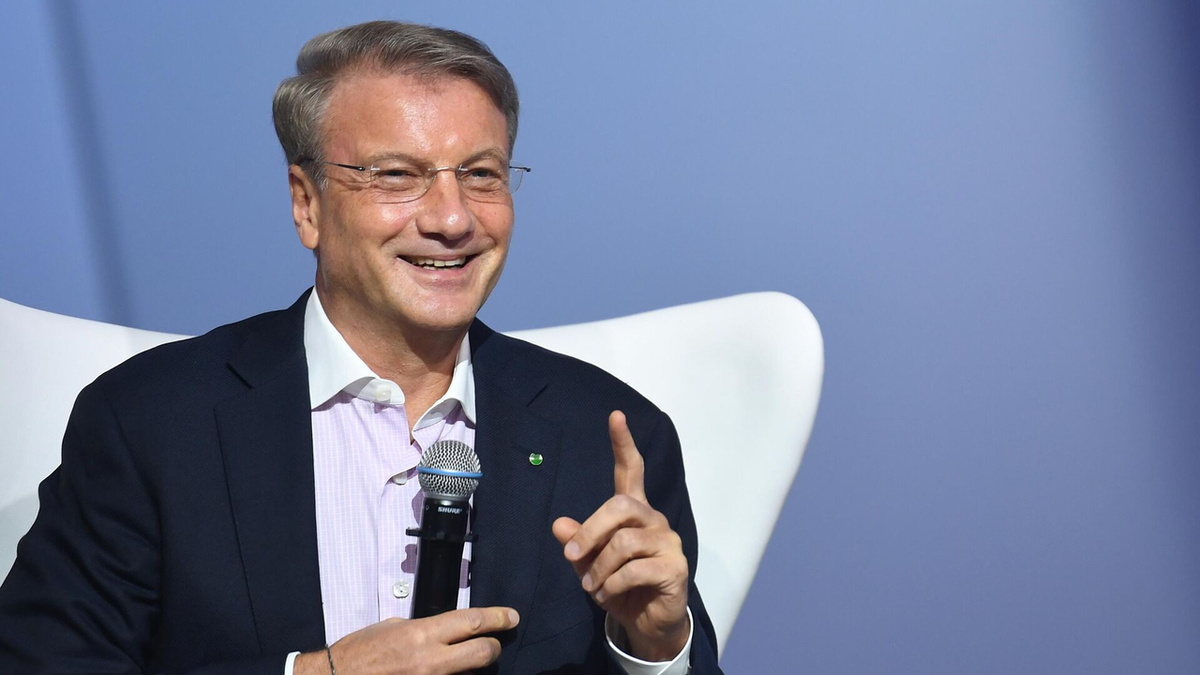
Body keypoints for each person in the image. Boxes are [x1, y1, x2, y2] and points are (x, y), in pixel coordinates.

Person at [0, 20, 722, 674]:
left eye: (480, 175)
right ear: (306, 203)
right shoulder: (151, 423)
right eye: (398, 175)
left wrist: (655, 650)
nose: (451, 219)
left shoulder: (609, 437)